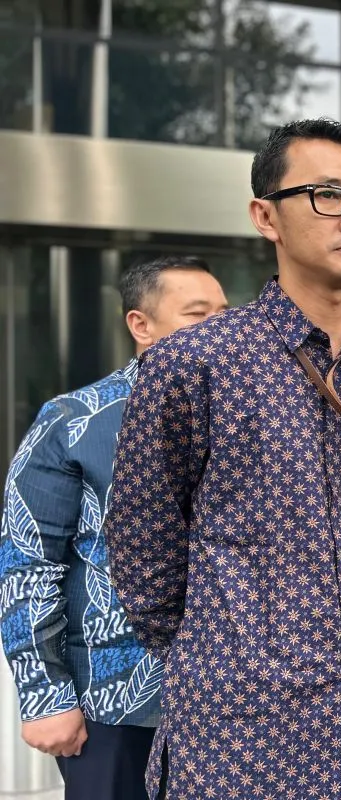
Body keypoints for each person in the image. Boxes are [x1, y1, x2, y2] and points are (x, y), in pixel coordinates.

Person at [104, 119, 341, 800]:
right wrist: (227, 653)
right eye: (327, 195)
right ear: (265, 217)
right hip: (242, 740)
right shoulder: (194, 363)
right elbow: (142, 550)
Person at [0, 256, 227, 800]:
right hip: (116, 698)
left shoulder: (257, 419)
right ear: (140, 325)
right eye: (198, 315)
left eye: (226, 316)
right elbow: (27, 561)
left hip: (238, 696)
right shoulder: (75, 420)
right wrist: (44, 696)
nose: (220, 331)